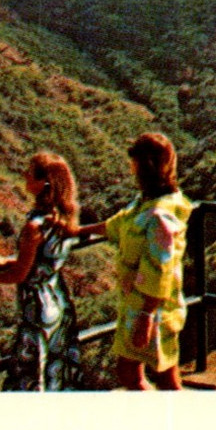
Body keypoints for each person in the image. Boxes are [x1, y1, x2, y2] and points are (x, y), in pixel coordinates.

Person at [78, 132, 193, 391]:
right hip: (141, 304)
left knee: (149, 374)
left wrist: (146, 316)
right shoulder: (149, 202)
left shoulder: (159, 215)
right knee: (155, 371)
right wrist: (79, 231)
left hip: (151, 308)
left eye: (135, 164)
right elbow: (119, 224)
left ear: (145, 166)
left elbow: (159, 266)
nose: (131, 169)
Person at [0, 152, 83, 391]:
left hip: (37, 308)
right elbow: (41, 261)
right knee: (55, 373)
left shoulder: (34, 226)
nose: (24, 175)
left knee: (30, 377)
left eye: (29, 172)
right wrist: (8, 261)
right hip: (59, 301)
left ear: (43, 184)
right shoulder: (63, 217)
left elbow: (19, 275)